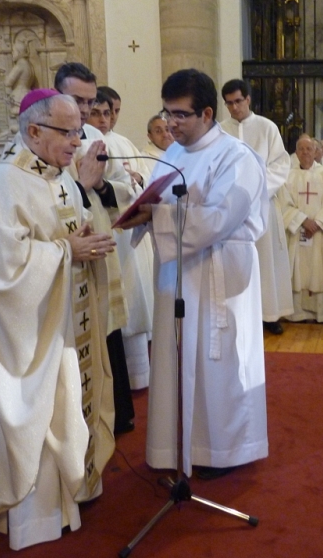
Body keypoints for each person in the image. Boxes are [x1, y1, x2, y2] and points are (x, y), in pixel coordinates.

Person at [0, 90, 116, 549]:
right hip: (30, 336)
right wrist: (65, 251)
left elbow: (64, 228)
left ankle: (72, 494)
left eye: (80, 129)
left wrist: (79, 239)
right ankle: (36, 517)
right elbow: (2, 270)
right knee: (41, 411)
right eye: (69, 131)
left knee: (69, 403)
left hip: (63, 321)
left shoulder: (57, 177)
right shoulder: (4, 185)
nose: (79, 141)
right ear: (34, 131)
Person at [124, 69, 269, 480]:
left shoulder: (236, 157)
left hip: (218, 274)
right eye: (167, 114)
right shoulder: (172, 153)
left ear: (207, 112)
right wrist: (139, 214)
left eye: (180, 115)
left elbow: (223, 217)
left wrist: (160, 217)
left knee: (215, 362)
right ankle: (178, 446)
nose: (170, 124)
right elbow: (155, 197)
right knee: (174, 359)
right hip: (176, 275)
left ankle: (220, 450)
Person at [54, 63, 136, 434]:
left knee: (108, 333)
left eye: (90, 101)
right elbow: (53, 201)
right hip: (71, 260)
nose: (86, 110)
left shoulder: (93, 139)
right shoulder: (48, 140)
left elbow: (121, 186)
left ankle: (116, 416)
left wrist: (100, 188)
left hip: (102, 249)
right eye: (77, 100)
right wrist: (84, 186)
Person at [88, 89, 154, 390]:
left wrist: (137, 181)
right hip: (105, 229)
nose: (106, 119)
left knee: (133, 297)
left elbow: (138, 180)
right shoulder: (88, 141)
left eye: (110, 112)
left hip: (126, 232)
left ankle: (139, 375)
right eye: (98, 112)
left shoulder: (123, 142)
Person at [220, 78, 293, 335]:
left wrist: (256, 191)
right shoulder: (220, 131)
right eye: (229, 103)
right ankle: (236, 313)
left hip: (262, 205)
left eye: (238, 101)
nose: (234, 107)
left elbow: (280, 165)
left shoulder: (267, 127)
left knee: (265, 259)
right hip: (231, 209)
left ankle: (268, 315)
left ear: (248, 99)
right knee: (235, 261)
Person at [279, 136, 323, 322]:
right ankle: (297, 313)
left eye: (309, 149)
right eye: (301, 149)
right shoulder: (287, 177)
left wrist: (318, 222)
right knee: (297, 270)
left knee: (320, 267)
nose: (305, 152)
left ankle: (322, 312)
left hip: (321, 233)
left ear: (316, 152)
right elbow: (283, 205)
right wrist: (303, 220)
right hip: (297, 233)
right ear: (296, 153)